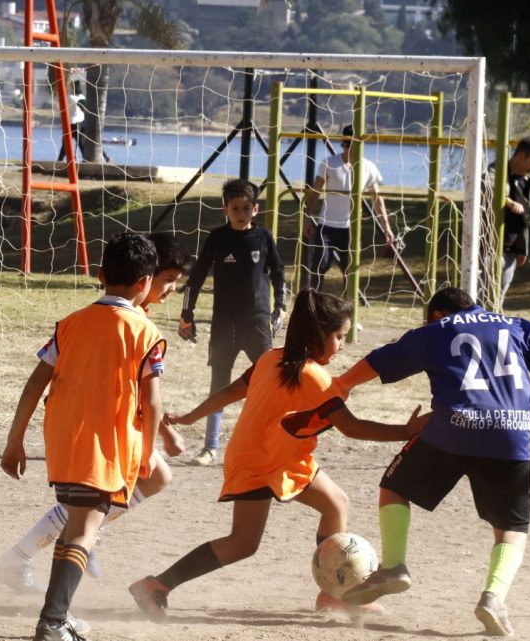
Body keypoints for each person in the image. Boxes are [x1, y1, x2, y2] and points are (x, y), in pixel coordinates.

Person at [334, 286, 530, 636]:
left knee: (394, 487)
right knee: (511, 530)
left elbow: (381, 359)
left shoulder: (438, 329)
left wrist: (341, 384)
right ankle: (493, 598)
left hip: (453, 428)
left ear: (438, 314)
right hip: (510, 434)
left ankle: (393, 566)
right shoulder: (520, 326)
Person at [128, 289, 428, 620]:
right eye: (340, 337)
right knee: (243, 543)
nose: (343, 345)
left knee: (335, 502)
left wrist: (191, 417)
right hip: (256, 460)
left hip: (284, 456)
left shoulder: (272, 357)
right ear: (319, 334)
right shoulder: (313, 375)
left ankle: (332, 596)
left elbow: (231, 391)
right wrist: (405, 431)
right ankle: (156, 586)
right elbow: (351, 428)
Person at [0, 232, 191, 593]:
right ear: (146, 279)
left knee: (139, 484)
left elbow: (131, 392)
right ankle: (29, 565)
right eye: (168, 281)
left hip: (81, 426)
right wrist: (153, 442)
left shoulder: (97, 318)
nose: (172, 289)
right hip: (98, 431)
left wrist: (163, 433)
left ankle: (50, 551)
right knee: (128, 489)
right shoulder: (136, 324)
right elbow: (144, 397)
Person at [178, 178, 286, 466]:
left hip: (257, 323)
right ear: (225, 209)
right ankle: (210, 448)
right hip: (224, 324)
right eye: (235, 208)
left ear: (256, 209)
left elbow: (279, 272)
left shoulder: (263, 238)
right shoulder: (217, 238)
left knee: (268, 382)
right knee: (219, 383)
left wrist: (281, 306)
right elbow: (197, 277)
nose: (241, 213)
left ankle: (270, 444)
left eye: (246, 208)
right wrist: (186, 314)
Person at [302, 124, 395, 292]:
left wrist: (386, 227)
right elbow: (315, 192)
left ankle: (348, 309)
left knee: (350, 270)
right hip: (327, 226)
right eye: (348, 143)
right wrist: (307, 218)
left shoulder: (368, 167)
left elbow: (377, 199)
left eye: (355, 144)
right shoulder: (329, 163)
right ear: (343, 143)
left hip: (351, 228)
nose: (351, 148)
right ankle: (314, 303)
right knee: (320, 266)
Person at [489, 137, 530, 307]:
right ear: (520, 155)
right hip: (490, 244)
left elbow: (526, 217)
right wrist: (508, 201)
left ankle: (493, 327)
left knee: (499, 295)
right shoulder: (496, 171)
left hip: (511, 248)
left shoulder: (525, 182)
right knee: (484, 291)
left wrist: (523, 248)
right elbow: (488, 190)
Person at [57, 81, 110, 163]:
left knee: (67, 144)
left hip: (71, 123)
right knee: (82, 143)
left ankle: (60, 160)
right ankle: (104, 158)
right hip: (80, 123)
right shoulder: (82, 97)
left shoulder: (70, 98)